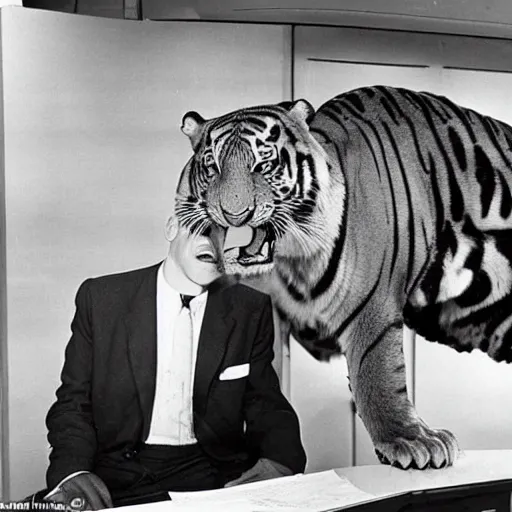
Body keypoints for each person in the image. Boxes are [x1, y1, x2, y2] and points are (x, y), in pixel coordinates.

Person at [42, 214, 306, 509]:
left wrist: (279, 461)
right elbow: (73, 404)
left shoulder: (249, 308)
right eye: (203, 226)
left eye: (226, 234)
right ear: (171, 227)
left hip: (213, 477)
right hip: (118, 477)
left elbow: (265, 403)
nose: (214, 243)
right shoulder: (101, 299)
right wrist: (73, 473)